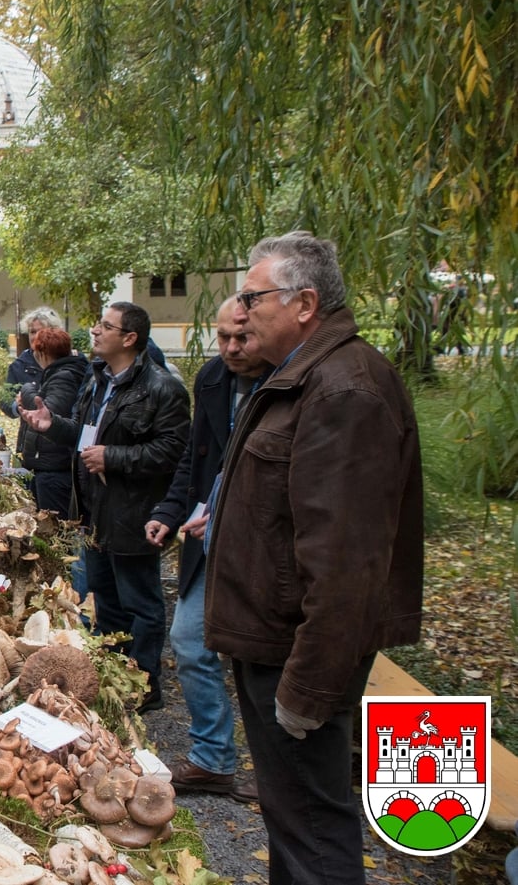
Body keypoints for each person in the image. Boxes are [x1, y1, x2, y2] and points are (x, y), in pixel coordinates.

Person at [206, 232, 423, 884]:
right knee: (293, 818)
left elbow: (348, 564)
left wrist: (309, 688)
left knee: (312, 829)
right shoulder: (304, 376)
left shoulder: (343, 390)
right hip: (276, 642)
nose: (241, 311)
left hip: (296, 655)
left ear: (304, 304)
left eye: (253, 297)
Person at [19, 301, 189, 711]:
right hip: (94, 510)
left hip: (133, 512)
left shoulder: (162, 388)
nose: (95, 331)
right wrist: (54, 427)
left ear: (129, 338)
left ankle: (144, 685)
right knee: (104, 600)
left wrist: (113, 457)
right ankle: (113, 678)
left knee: (140, 602)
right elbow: (89, 435)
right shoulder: (98, 380)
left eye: (105, 326)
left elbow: (173, 451)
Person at [143, 300, 267, 805]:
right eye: (223, 338)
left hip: (263, 547)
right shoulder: (214, 378)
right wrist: (170, 511)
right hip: (208, 536)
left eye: (243, 338)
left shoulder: (290, 380)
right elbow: (196, 462)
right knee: (190, 640)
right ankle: (213, 758)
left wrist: (225, 510)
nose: (231, 349)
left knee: (262, 660)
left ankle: (278, 771)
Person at [0, 326, 86, 514]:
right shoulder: (60, 372)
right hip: (47, 464)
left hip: (53, 466)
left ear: (42, 354)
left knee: (53, 522)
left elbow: (46, 412)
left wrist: (27, 390)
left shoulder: (64, 376)